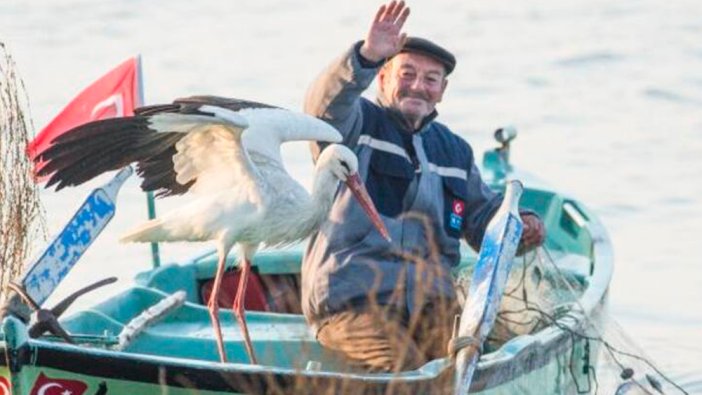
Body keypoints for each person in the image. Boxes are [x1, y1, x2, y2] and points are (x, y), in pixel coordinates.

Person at [301, 0, 545, 374]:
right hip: (354, 306)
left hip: (432, 307)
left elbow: (483, 221)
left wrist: (522, 225)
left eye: (431, 79)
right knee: (407, 370)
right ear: (383, 78)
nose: (418, 86)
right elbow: (322, 108)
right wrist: (366, 56)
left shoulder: (454, 151)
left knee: (469, 366)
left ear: (442, 91)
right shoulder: (355, 126)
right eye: (407, 73)